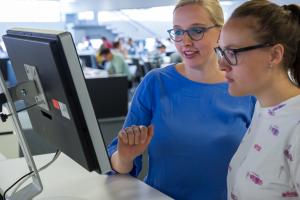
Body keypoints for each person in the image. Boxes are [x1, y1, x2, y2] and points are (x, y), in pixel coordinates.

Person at [107, 0, 256, 199]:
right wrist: (125, 158)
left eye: (196, 31)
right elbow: (120, 164)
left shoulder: (246, 89)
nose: (185, 42)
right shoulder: (155, 83)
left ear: (221, 32)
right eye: (178, 32)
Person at [215, 1, 300, 199]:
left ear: (274, 54)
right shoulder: (262, 108)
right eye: (221, 51)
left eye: (232, 52)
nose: (221, 64)